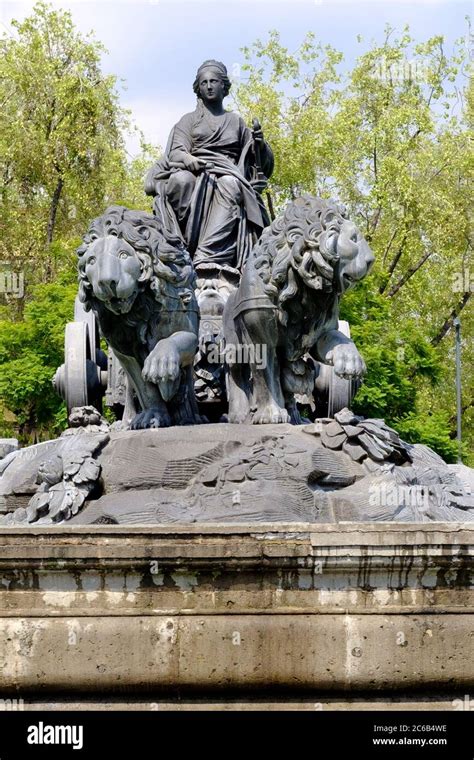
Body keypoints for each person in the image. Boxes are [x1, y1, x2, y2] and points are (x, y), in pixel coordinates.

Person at [145, 59, 274, 271]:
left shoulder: (236, 122)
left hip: (228, 173)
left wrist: (259, 145)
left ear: (224, 86)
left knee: (230, 184)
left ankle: (207, 254)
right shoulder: (188, 120)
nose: (209, 86)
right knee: (180, 180)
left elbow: (259, 164)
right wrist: (189, 160)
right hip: (196, 172)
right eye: (204, 83)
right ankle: (184, 244)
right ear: (198, 88)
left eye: (214, 81)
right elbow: (176, 152)